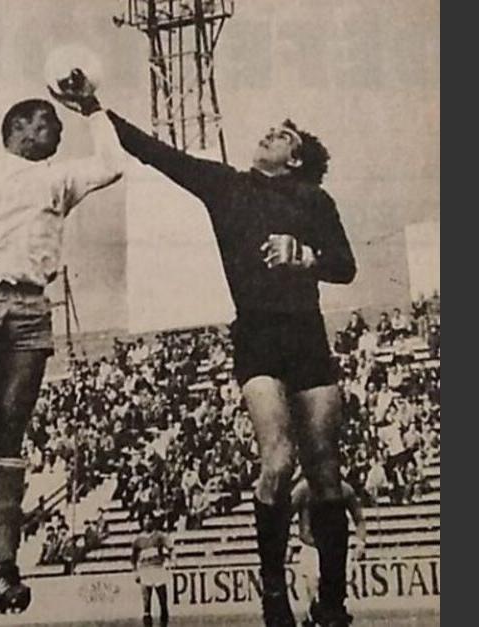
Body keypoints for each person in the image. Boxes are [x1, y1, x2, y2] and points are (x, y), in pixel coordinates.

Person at [51, 89, 357, 626]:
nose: (269, 134)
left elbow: (345, 266)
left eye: (282, 135)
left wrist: (304, 256)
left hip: (308, 334)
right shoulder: (227, 186)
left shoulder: (314, 200)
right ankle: (273, 598)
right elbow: (154, 151)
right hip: (258, 335)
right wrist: (95, 107)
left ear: (297, 157)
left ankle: (332, 602)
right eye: (269, 129)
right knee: (278, 461)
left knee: (327, 473)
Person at [0, 76, 123, 611]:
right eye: (49, 123)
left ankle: (3, 568)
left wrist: (92, 108)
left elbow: (112, 164)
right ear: (19, 127)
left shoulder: (58, 178)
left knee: (12, 436)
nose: (57, 132)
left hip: (32, 307)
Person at [291, 478, 366, 627]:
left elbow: (359, 519)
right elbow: (285, 515)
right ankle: (314, 616)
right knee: (313, 588)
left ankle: (332, 616)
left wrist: (360, 542)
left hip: (335, 549)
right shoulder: (303, 489)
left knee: (336, 591)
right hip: (311, 547)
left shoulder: (344, 489)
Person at [131, 516, 174, 627]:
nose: (147, 521)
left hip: (158, 569)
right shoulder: (138, 540)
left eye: (149, 518)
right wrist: (136, 572)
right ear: (142, 522)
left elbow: (171, 548)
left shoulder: (159, 536)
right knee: (146, 604)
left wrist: (170, 561)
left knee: (163, 602)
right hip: (145, 571)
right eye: (144, 519)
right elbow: (133, 558)